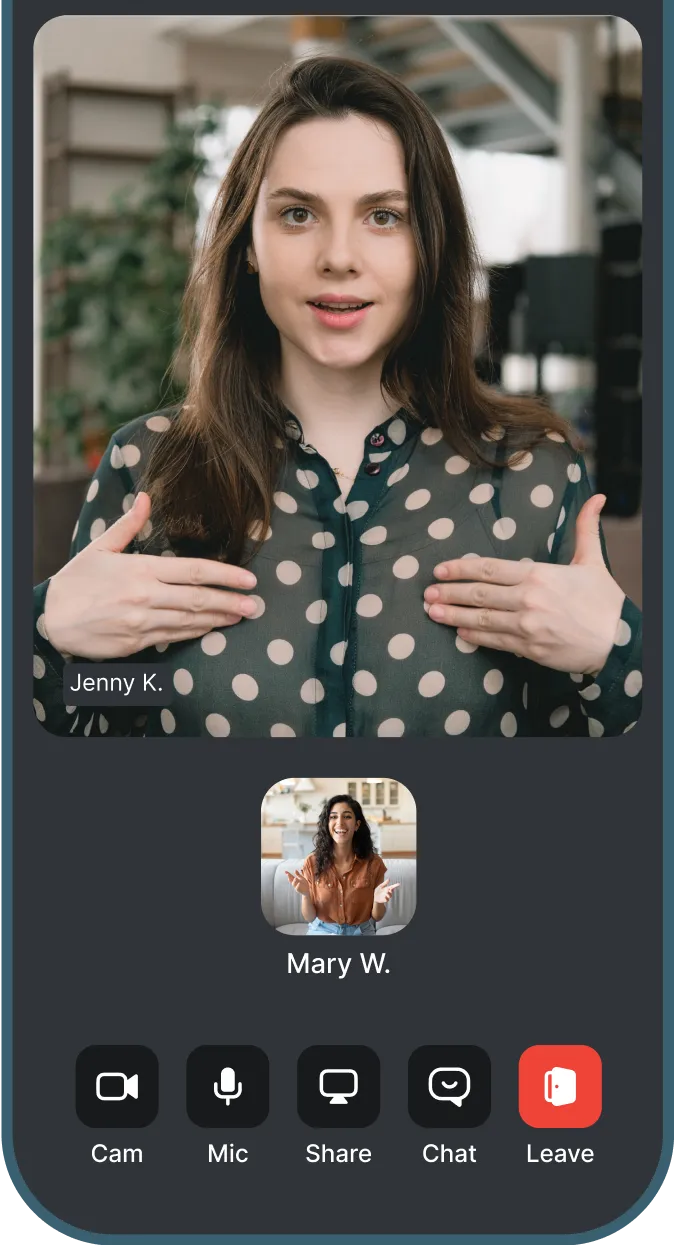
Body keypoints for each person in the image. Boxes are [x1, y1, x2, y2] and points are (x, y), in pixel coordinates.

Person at [32, 54, 642, 738]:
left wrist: (618, 656)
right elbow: (99, 729)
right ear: (250, 243)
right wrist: (52, 638)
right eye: (298, 214)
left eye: (383, 216)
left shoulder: (533, 477)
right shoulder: (148, 467)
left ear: (428, 246)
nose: (339, 255)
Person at [285, 796, 399, 936]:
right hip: (322, 930)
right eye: (333, 817)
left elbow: (377, 917)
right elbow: (309, 917)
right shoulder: (312, 862)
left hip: (361, 931)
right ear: (327, 823)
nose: (340, 822)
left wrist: (377, 900)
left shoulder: (374, 863)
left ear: (357, 825)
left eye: (347, 816)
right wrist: (306, 894)